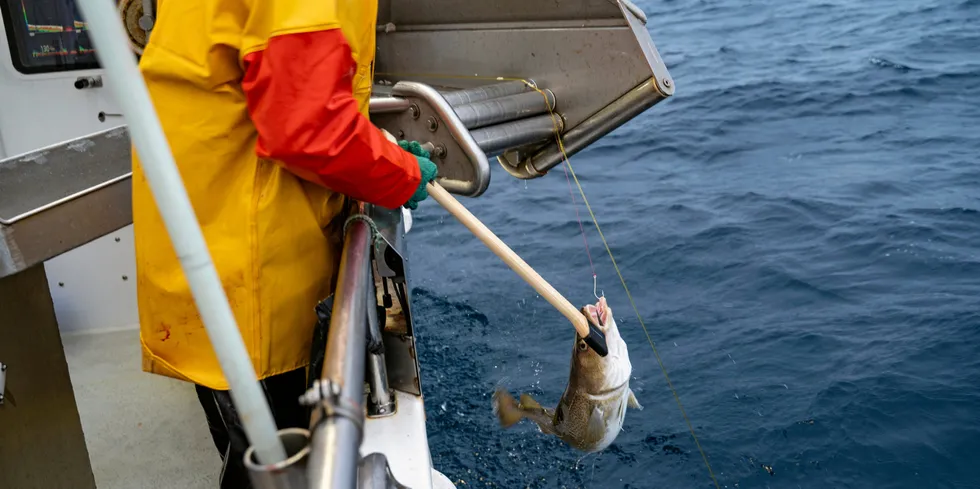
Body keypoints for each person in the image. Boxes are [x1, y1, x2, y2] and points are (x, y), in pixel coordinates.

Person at [130, 1, 438, 487]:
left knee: (248, 453)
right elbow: (307, 125)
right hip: (251, 289)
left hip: (213, 259)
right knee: (276, 468)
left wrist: (380, 152)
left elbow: (274, 91)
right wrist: (397, 173)